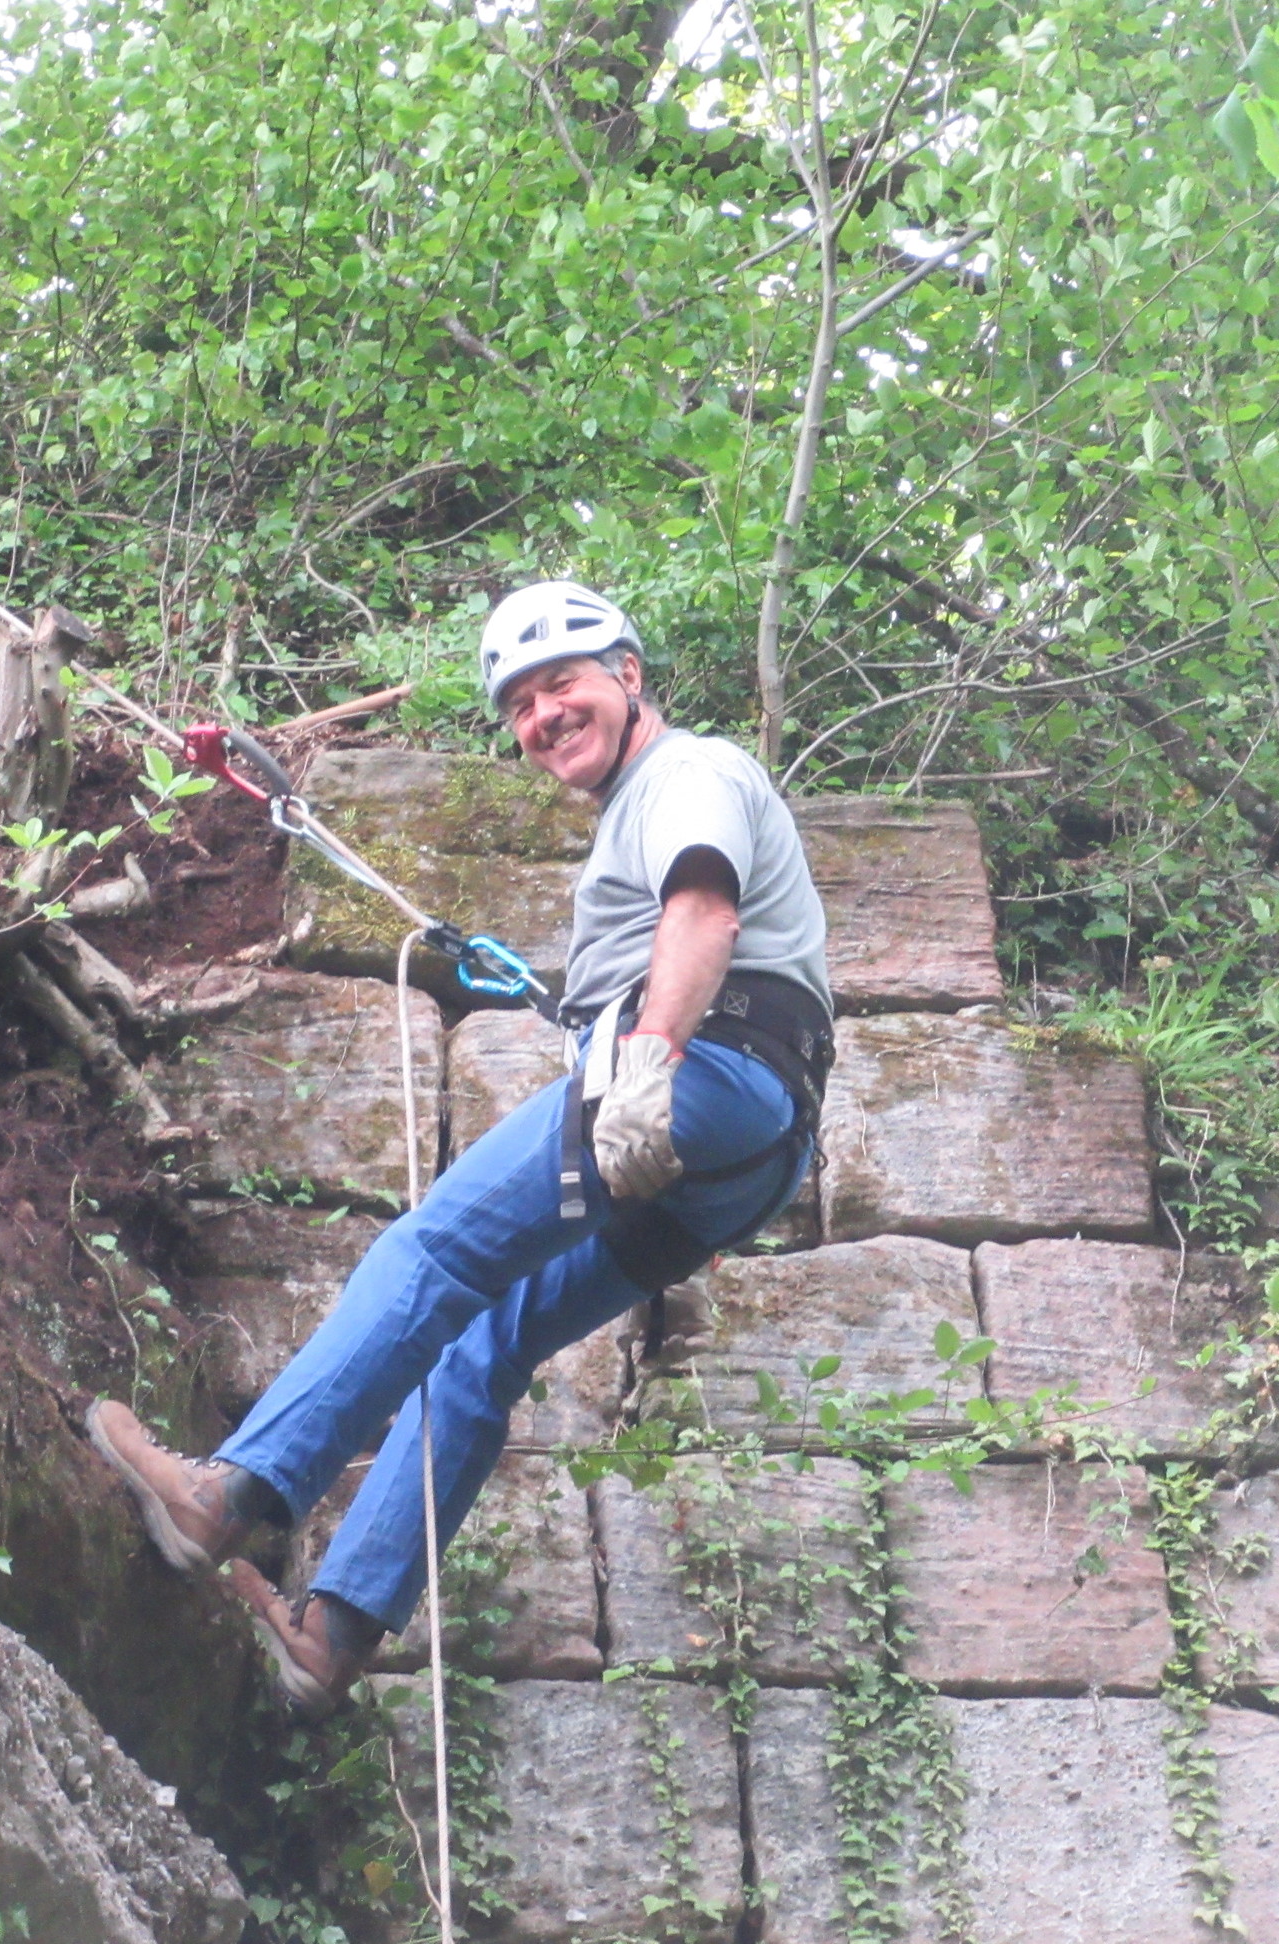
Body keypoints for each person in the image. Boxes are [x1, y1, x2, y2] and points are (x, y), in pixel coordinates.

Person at [85, 580, 834, 1714]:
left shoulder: (690, 772)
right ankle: (331, 1635)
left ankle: (229, 1494)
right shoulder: (637, 811)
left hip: (702, 1075)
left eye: (564, 684)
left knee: (433, 1252)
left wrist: (647, 1062)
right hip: (748, 1151)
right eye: (521, 706)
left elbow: (704, 914)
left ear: (629, 676)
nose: (544, 716)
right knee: (487, 1340)